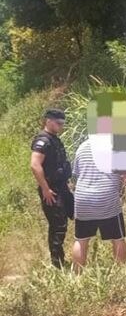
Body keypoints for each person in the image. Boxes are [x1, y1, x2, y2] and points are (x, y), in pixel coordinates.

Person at [71, 138, 126, 267]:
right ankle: (120, 272)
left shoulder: (82, 147)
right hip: (106, 198)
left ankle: (77, 277)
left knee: (81, 240)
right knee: (117, 238)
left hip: (83, 199)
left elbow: (78, 174)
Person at [30, 109, 74, 268]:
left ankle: (81, 248)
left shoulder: (54, 139)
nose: (61, 126)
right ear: (48, 121)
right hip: (52, 190)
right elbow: (35, 165)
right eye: (58, 123)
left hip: (62, 187)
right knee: (58, 226)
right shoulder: (43, 140)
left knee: (78, 212)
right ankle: (58, 265)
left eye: (63, 123)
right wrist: (46, 189)